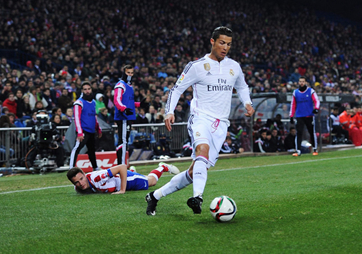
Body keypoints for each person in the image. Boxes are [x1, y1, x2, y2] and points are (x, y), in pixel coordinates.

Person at [145, 26, 254, 216]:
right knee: (201, 150)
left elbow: (242, 86)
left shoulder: (234, 66)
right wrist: (169, 112)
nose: (225, 47)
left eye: (228, 44)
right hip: (200, 118)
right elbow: (176, 89)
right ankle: (198, 197)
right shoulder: (196, 66)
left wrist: (247, 103)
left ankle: (154, 196)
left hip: (221, 124)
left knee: (192, 172)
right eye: (222, 43)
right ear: (212, 42)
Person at [67, 163, 180, 194]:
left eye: (81, 179)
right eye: (76, 182)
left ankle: (163, 167)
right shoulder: (79, 187)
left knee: (152, 181)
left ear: (84, 173)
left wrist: (122, 190)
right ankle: (133, 172)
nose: (80, 183)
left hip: (126, 181)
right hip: (121, 179)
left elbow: (121, 167)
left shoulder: (97, 178)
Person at [69, 81, 102, 170]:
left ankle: (95, 167)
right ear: (82, 91)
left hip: (91, 130)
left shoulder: (93, 102)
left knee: (91, 150)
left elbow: (94, 116)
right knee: (77, 148)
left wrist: (98, 128)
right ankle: (71, 167)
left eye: (89, 89)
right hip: (83, 130)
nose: (87, 91)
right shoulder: (79, 103)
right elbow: (76, 118)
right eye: (85, 89)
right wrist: (80, 132)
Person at [114, 65, 141, 165]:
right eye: (128, 72)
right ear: (124, 72)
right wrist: (124, 109)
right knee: (123, 141)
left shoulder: (129, 86)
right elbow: (117, 100)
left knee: (125, 141)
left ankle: (122, 164)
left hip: (129, 116)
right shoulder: (120, 85)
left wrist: (139, 104)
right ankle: (121, 165)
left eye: (131, 73)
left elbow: (130, 102)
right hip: (123, 117)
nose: (130, 75)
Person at [289, 76, 320, 156]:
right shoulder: (295, 92)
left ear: (305, 82)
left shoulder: (310, 91)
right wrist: (291, 115)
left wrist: (316, 108)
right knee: (299, 132)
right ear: (298, 82)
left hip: (309, 115)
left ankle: (315, 148)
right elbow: (293, 104)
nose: (301, 83)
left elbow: (316, 100)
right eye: (300, 81)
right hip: (299, 115)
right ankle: (298, 150)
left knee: (311, 132)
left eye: (303, 81)